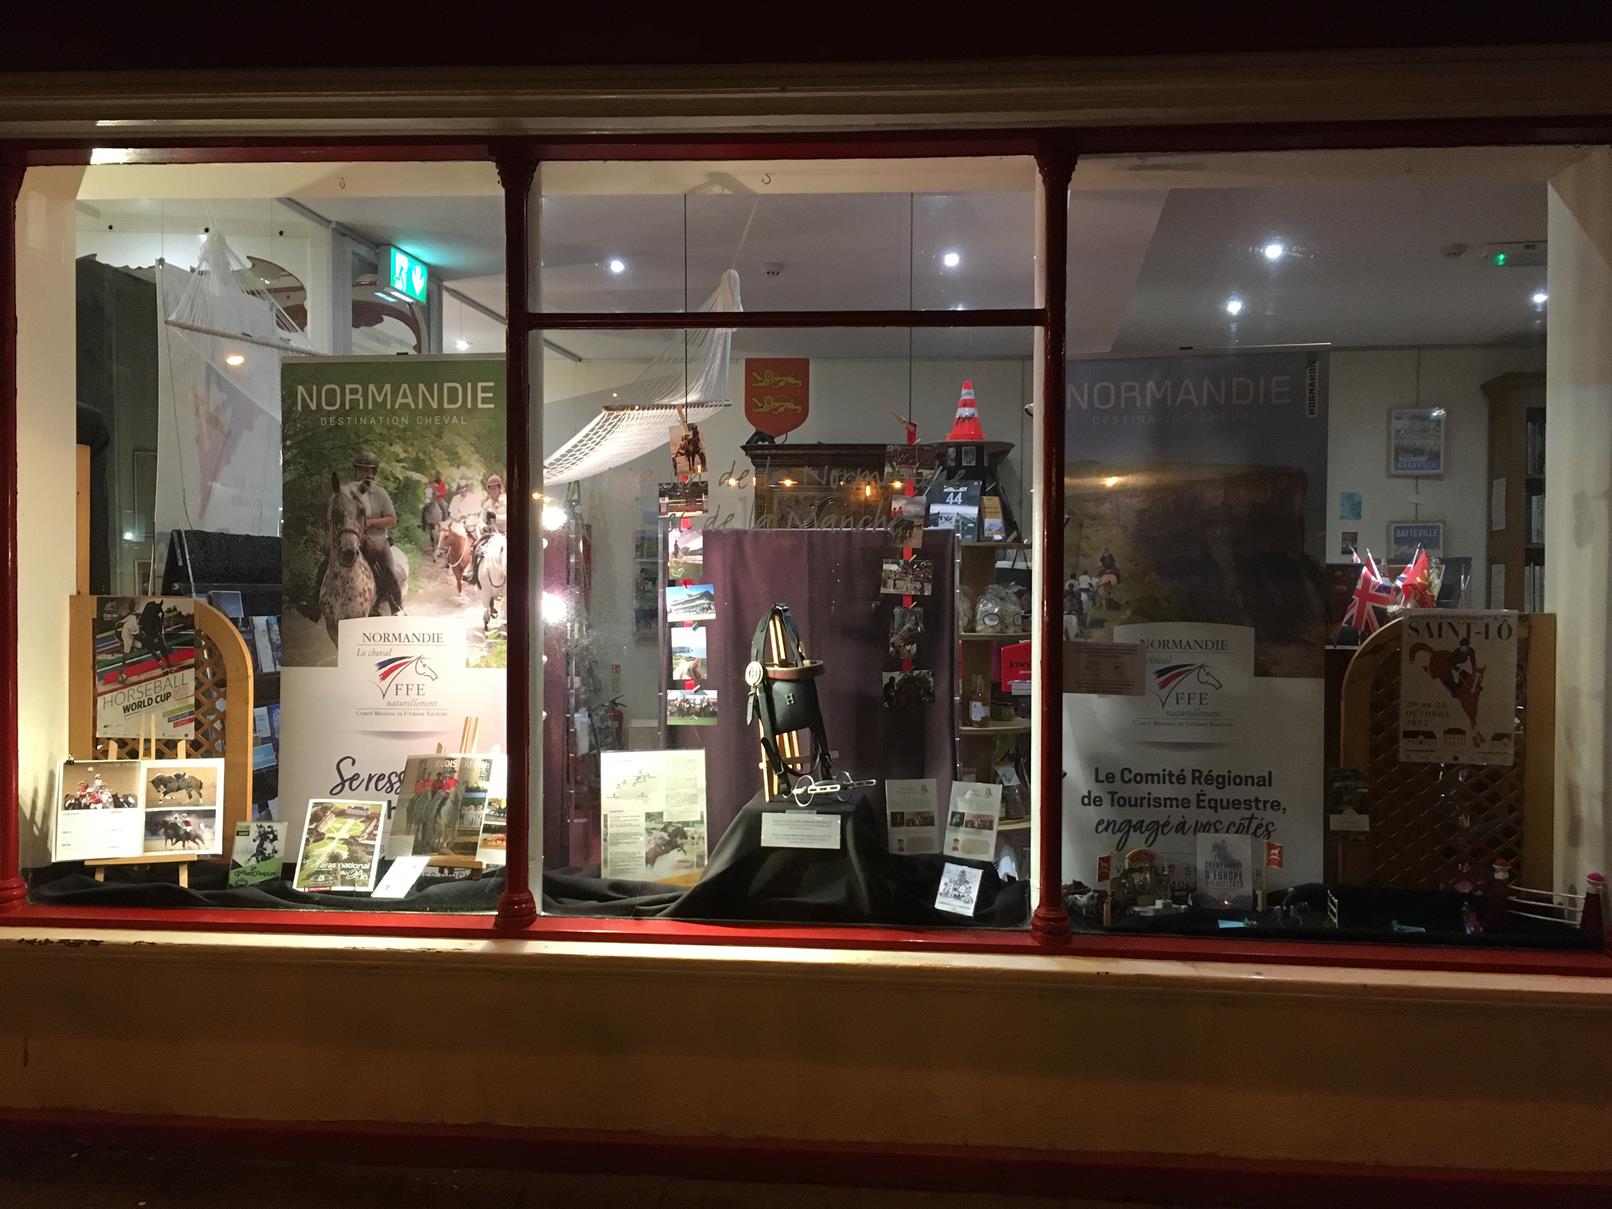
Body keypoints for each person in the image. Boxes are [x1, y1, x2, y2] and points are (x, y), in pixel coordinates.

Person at [307, 451, 403, 619]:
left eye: (369, 470)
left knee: (387, 568)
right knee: (325, 564)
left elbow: (392, 519)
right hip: (352, 537)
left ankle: (395, 605)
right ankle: (314, 603)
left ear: (374, 472)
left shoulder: (380, 493)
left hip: (376, 538)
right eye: (361, 469)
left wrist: (370, 522)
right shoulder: (345, 492)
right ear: (356, 471)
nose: (365, 473)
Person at [469, 473, 508, 588]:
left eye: (495, 488)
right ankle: (473, 574)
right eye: (490, 488)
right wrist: (484, 526)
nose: (492, 491)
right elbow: (480, 520)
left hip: (507, 533)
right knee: (476, 546)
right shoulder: (487, 504)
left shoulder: (506, 501)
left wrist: (497, 518)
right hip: (493, 535)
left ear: (500, 488)